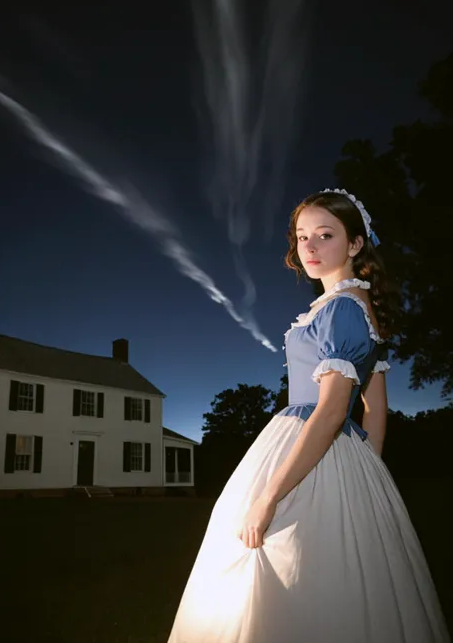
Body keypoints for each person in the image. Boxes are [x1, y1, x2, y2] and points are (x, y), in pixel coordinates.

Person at [167, 189, 450, 643]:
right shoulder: (358, 306)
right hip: (340, 450)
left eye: (325, 235)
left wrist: (269, 496)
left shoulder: (342, 309)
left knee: (275, 565)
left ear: (355, 244)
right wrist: (367, 470)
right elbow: (375, 407)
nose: (311, 248)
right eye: (302, 237)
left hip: (312, 437)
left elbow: (335, 408)